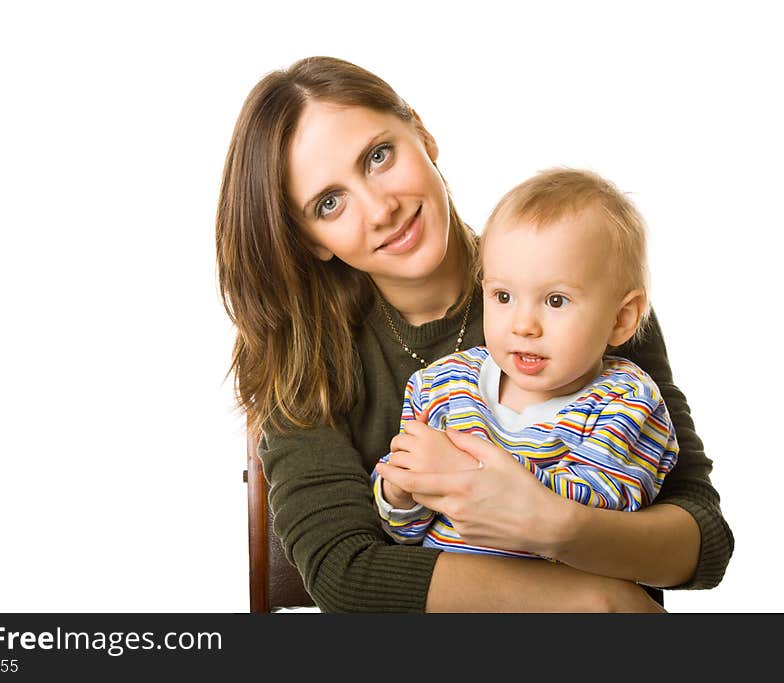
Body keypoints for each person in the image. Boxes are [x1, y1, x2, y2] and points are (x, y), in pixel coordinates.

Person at [215, 56, 733, 612]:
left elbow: (702, 544)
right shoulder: (299, 355)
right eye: (330, 203)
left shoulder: (581, 278)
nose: (381, 210)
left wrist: (550, 523)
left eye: (378, 157)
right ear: (313, 239)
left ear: (423, 133)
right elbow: (345, 575)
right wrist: (594, 601)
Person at [372, 168, 679, 558]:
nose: (523, 326)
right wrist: (398, 492)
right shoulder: (442, 385)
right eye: (503, 296)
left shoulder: (627, 402)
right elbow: (405, 532)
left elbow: (595, 516)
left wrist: (467, 473)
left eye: (555, 301)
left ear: (621, 319)